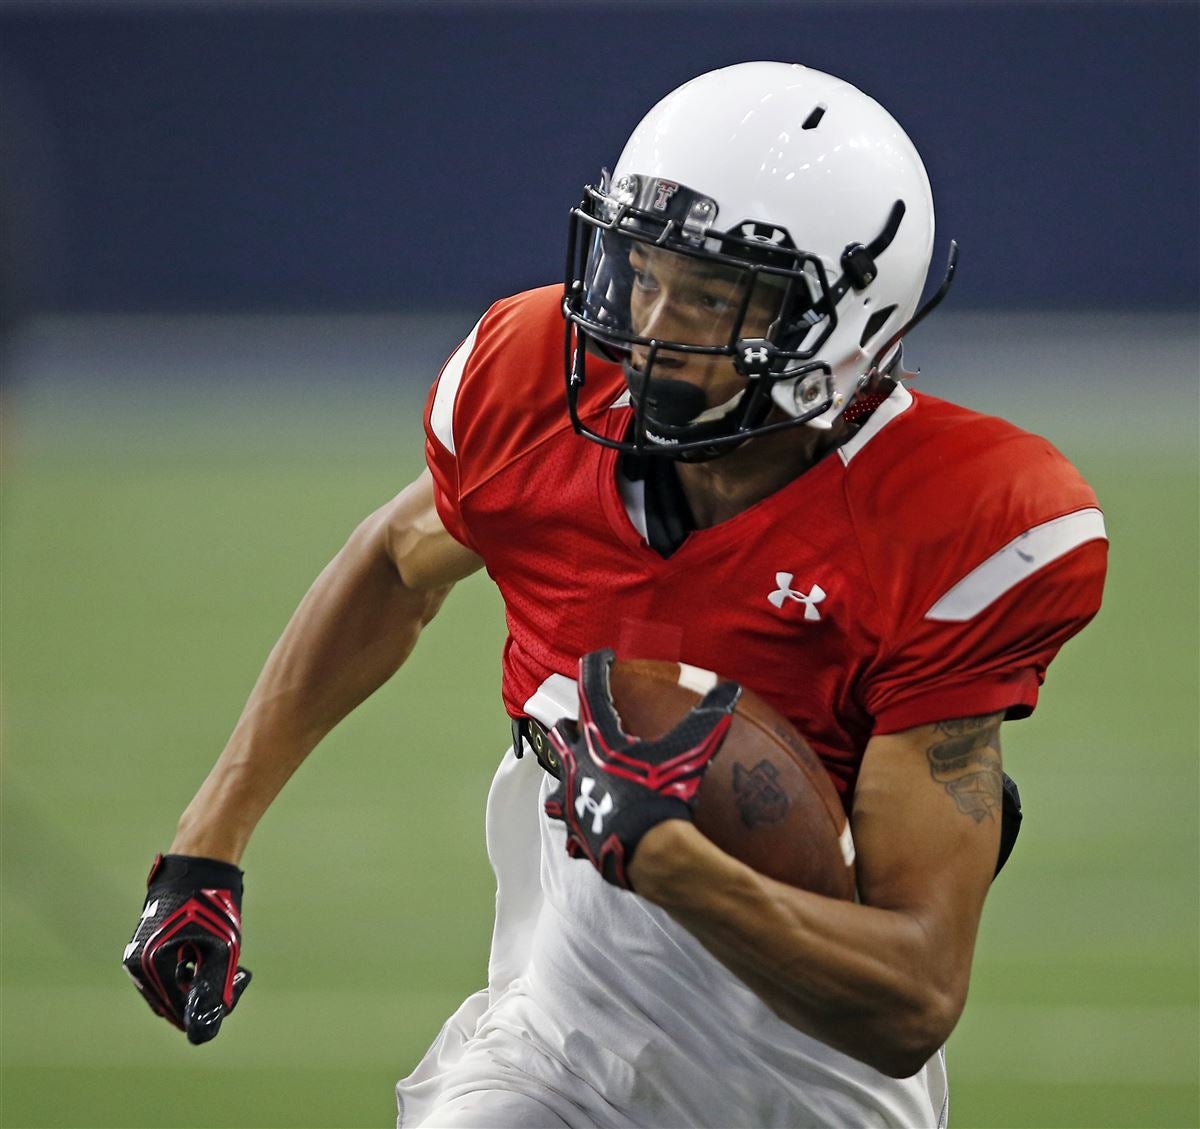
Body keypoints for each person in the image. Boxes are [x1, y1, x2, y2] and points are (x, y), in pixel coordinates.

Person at [122, 62, 1108, 1128]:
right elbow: (393, 563)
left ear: (841, 321)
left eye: (713, 296)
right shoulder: (537, 380)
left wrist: (677, 862)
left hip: (806, 1076)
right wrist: (207, 841)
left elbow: (912, 997)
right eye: (642, 271)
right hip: (559, 1030)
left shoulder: (954, 517)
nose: (650, 324)